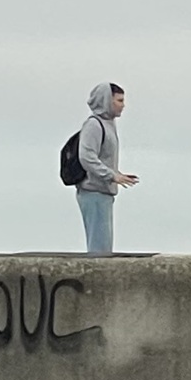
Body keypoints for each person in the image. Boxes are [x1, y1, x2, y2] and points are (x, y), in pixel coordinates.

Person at [74, 82, 137, 254]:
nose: (123, 105)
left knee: (104, 245)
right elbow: (86, 157)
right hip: (93, 191)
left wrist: (118, 174)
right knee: (99, 247)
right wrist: (111, 175)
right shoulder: (94, 125)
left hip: (103, 191)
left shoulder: (109, 124)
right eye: (119, 100)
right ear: (107, 101)